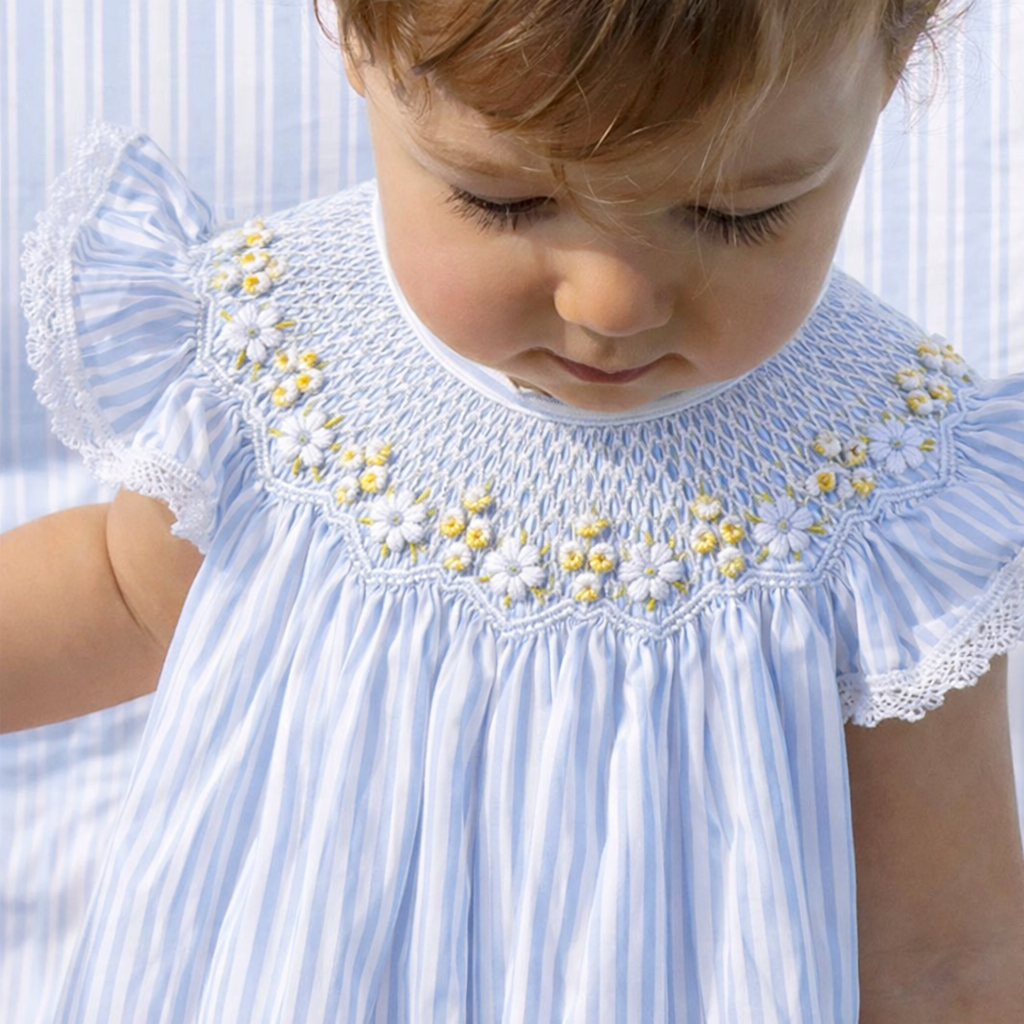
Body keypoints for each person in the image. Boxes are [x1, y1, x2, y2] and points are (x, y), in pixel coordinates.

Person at [2, 0, 1023, 1020]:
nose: (610, 304)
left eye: (733, 215)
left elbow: (944, 950)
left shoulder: (890, 482)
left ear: (885, 80)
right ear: (361, 45)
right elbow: (128, 591)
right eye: (504, 199)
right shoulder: (289, 353)